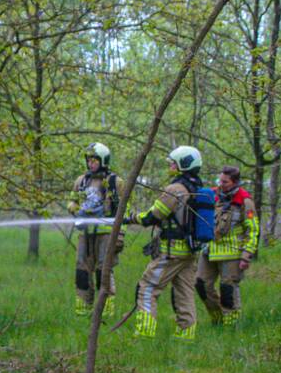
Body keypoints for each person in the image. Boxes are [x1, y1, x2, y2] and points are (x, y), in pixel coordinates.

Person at [124, 145, 204, 340]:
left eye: (173, 163)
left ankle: (144, 333)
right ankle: (186, 336)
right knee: (185, 293)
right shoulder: (197, 189)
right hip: (190, 252)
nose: (170, 166)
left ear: (184, 164)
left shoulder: (175, 189)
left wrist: (132, 217)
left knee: (147, 288)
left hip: (171, 252)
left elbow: (153, 216)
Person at [196, 165, 259, 326]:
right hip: (209, 251)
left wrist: (246, 255)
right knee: (201, 285)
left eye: (225, 182)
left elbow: (252, 230)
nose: (221, 184)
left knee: (228, 291)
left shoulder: (245, 201)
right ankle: (217, 320)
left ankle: (230, 326)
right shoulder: (212, 195)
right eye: (220, 180)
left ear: (235, 182)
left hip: (232, 254)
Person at [67, 142, 124, 318]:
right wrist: (73, 207)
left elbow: (124, 211)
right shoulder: (81, 181)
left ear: (103, 160)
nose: (91, 164)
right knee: (81, 270)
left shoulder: (115, 182)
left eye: (94, 160)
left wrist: (120, 236)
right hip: (85, 233)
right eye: (89, 160)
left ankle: (105, 311)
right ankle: (83, 309)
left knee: (103, 270)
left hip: (106, 234)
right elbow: (73, 200)